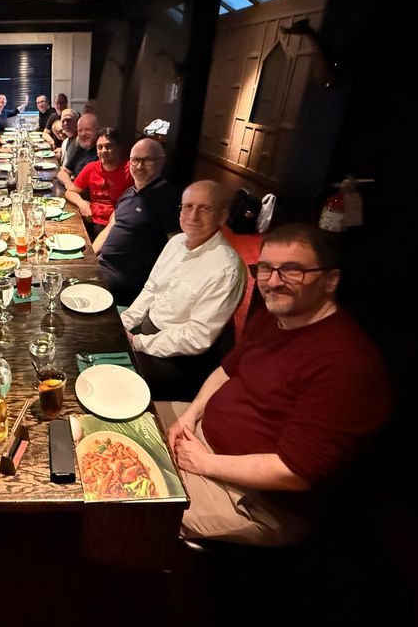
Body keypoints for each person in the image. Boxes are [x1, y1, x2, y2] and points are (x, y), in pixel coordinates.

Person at [159, 223, 392, 546]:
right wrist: (190, 415)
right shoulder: (274, 317)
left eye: (292, 270)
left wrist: (204, 462)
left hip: (253, 499)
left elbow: (294, 473)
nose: (273, 281)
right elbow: (226, 371)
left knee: (126, 504)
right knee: (118, 427)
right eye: (266, 269)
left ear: (331, 280)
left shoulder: (347, 364)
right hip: (201, 441)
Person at [121, 181, 245, 399]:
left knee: (115, 378)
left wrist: (137, 342)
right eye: (187, 207)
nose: (193, 216)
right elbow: (151, 289)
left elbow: (197, 337)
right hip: (148, 329)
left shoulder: (227, 268)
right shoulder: (176, 241)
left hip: (180, 359)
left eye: (204, 208)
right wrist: (125, 322)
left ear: (222, 216)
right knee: (97, 338)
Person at [95, 138, 180, 305]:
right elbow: (110, 228)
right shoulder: (129, 193)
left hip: (123, 282)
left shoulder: (169, 198)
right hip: (101, 267)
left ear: (161, 161)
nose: (139, 166)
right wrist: (88, 257)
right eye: (135, 160)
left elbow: (176, 249)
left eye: (147, 160)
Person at [63, 128, 133, 240]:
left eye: (108, 146)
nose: (103, 151)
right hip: (91, 222)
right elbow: (70, 192)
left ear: (119, 148)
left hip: (117, 226)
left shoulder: (130, 170)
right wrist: (82, 204)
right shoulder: (91, 168)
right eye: (100, 147)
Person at [56, 112, 98, 186]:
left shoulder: (100, 152)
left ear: (97, 130)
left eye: (87, 130)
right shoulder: (81, 148)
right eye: (80, 130)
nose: (83, 134)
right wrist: (69, 185)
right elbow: (62, 173)